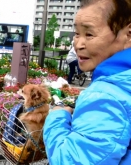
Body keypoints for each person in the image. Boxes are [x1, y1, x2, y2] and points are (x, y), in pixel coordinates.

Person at [43, 0, 131, 164]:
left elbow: (68, 160)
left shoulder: (106, 96)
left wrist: (57, 116)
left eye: (89, 34)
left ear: (128, 33)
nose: (78, 44)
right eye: (76, 33)